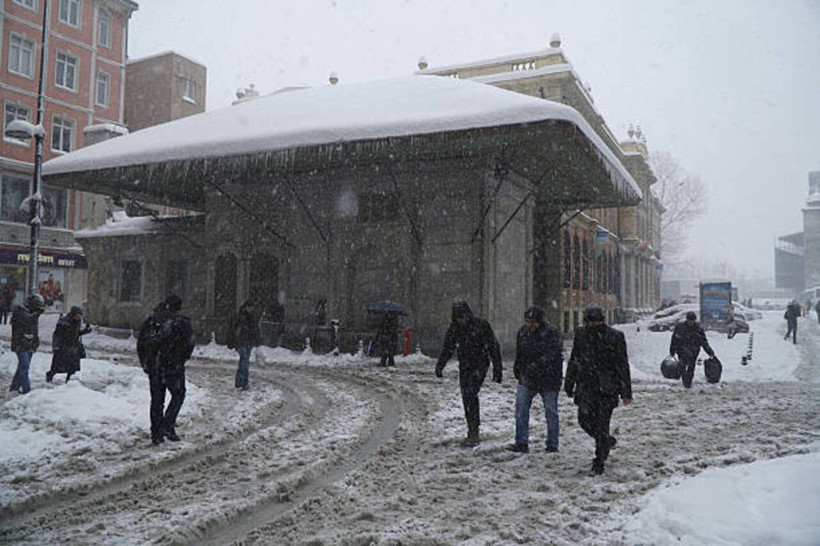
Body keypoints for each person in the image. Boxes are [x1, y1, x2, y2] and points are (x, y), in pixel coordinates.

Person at [565, 306, 632, 476]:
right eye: (588, 322)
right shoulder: (581, 335)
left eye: (594, 322)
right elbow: (575, 359)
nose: (591, 325)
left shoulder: (615, 336)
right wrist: (569, 381)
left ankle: (599, 461)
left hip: (606, 387)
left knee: (602, 424)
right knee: (584, 419)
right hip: (586, 386)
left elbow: (622, 364)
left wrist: (626, 392)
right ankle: (605, 441)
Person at [435, 300, 503, 447]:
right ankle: (472, 428)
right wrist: (440, 365)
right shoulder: (454, 329)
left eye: (463, 317)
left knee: (471, 393)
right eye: (458, 318)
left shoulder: (481, 325)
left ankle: (474, 431)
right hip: (465, 365)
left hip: (480, 363)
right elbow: (448, 347)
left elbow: (493, 346)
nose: (461, 321)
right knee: (466, 396)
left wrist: (497, 369)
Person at [137, 294, 195, 445]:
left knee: (157, 400)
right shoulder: (181, 323)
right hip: (173, 366)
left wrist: (145, 362)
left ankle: (156, 433)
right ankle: (168, 424)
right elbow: (189, 344)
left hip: (155, 366)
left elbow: (141, 342)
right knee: (178, 394)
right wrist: (181, 360)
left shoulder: (151, 320)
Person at [506, 305, 563, 454]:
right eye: (527, 321)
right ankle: (521, 442)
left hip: (548, 379)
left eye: (532, 322)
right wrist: (518, 369)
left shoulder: (552, 333)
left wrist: (536, 365)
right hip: (528, 378)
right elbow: (519, 353)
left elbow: (554, 354)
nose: (529, 325)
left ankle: (552, 444)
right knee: (521, 410)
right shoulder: (523, 332)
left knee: (551, 412)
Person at [8, 293, 45, 395]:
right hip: (20, 343)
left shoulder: (31, 314)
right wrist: (36, 315)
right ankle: (26, 390)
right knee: (24, 366)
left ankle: (14, 387)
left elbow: (33, 329)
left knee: (22, 367)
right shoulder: (20, 312)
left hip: (29, 343)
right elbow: (26, 321)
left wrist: (35, 341)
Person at [669, 311, 716, 388]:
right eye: (689, 320)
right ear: (687, 319)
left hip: (693, 352)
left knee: (691, 367)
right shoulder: (680, 328)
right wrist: (672, 351)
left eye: (692, 320)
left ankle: (688, 383)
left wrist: (710, 352)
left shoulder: (698, 330)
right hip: (682, 351)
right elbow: (674, 340)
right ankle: (685, 381)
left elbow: (703, 342)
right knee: (682, 367)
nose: (691, 322)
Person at [46, 306, 92, 383]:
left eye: (80, 316)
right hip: (63, 347)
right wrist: (56, 346)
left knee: (72, 367)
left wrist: (85, 331)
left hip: (74, 347)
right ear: (73, 314)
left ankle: (69, 381)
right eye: (77, 316)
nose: (79, 317)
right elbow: (57, 335)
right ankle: (50, 375)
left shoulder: (77, 322)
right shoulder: (64, 323)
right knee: (58, 366)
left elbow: (76, 334)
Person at [226, 300, 261, 391]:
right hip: (241, 342)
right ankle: (242, 382)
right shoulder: (240, 317)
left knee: (244, 362)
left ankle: (241, 382)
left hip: (246, 342)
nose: (251, 309)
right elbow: (232, 329)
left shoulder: (250, 317)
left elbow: (255, 330)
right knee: (244, 361)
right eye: (250, 307)